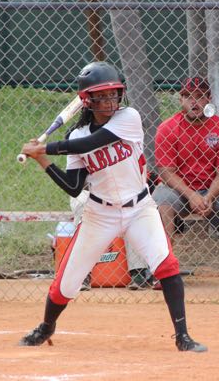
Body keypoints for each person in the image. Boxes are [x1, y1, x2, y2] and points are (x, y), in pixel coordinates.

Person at [18, 61, 206, 351]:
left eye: (113, 94)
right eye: (101, 96)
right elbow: (73, 186)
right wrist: (43, 161)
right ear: (87, 100)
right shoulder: (75, 137)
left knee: (166, 265)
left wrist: (45, 147)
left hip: (140, 209)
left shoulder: (128, 117)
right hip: (99, 214)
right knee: (66, 284)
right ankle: (46, 326)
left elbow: (94, 143)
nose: (109, 101)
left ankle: (183, 336)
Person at [152, 76, 219, 290]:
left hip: (213, 191)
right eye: (189, 97)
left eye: (200, 97)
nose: (195, 102)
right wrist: (192, 196)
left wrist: (208, 197)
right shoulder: (167, 128)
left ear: (209, 99)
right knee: (161, 202)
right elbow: (167, 172)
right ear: (180, 100)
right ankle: (163, 269)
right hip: (178, 190)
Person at [70, 189, 154, 291]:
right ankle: (82, 274)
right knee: (81, 202)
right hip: (91, 191)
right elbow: (77, 182)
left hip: (123, 191)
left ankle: (138, 271)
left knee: (134, 207)